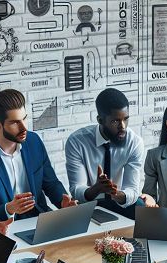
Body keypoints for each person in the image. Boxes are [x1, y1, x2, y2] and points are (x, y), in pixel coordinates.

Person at [0, 89, 76, 221]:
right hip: (6, 226)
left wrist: (63, 202)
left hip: (40, 219)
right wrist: (9, 208)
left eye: (24, 118)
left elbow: (51, 183)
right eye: (15, 122)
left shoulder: (34, 141)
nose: (24, 127)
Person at [65, 87, 152, 220]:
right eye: (115, 121)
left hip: (120, 200)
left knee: (145, 213)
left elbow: (132, 190)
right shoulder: (77, 142)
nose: (123, 126)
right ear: (100, 120)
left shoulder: (134, 143)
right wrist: (97, 188)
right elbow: (76, 189)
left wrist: (116, 194)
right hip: (89, 202)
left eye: (126, 119)